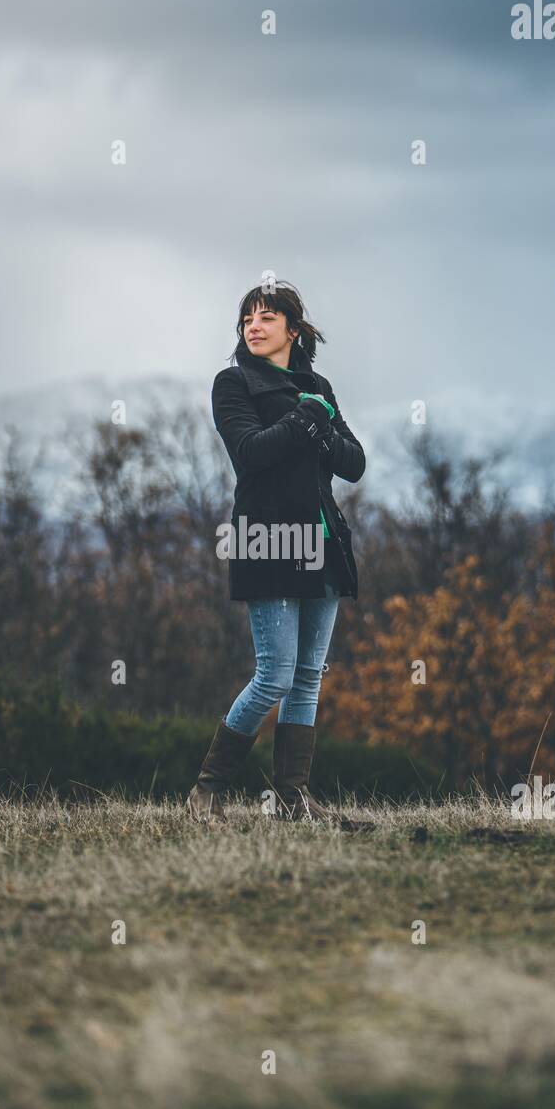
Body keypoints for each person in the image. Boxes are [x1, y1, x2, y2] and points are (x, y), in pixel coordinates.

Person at [186, 280, 370, 830]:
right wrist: (303, 422)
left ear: (293, 328)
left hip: (325, 542)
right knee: (275, 675)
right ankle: (206, 793)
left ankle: (292, 801)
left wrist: (316, 425)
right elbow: (249, 454)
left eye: (267, 317)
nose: (254, 326)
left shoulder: (318, 385)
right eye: (247, 319)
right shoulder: (233, 383)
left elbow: (353, 463)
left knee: (309, 676)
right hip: (266, 539)